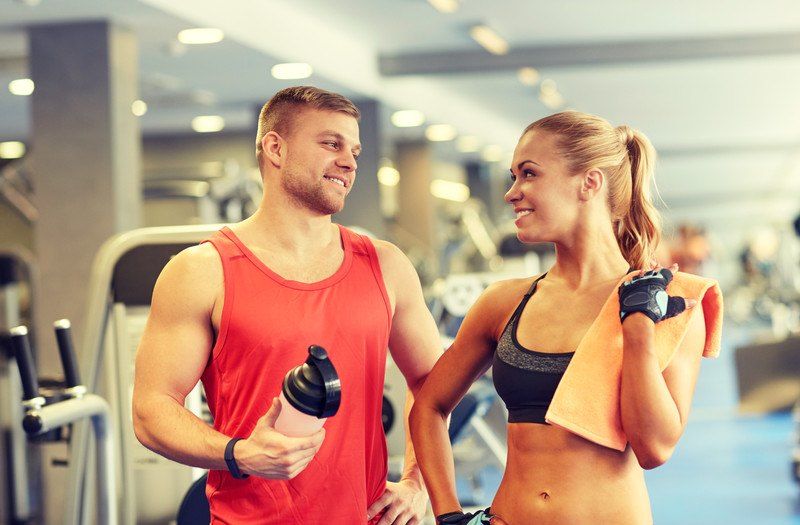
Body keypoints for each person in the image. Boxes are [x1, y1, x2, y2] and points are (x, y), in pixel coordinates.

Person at [132, 86, 440, 524]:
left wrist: (417, 482)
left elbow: (433, 383)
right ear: (275, 148)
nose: (350, 161)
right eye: (331, 143)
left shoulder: (386, 265)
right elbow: (151, 410)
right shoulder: (203, 271)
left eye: (354, 149)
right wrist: (239, 453)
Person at [409, 111, 707, 525]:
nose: (512, 192)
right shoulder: (504, 301)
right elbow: (429, 407)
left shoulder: (671, 302)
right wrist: (447, 514)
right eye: (513, 177)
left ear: (589, 182)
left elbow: (654, 449)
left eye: (528, 174)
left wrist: (637, 330)